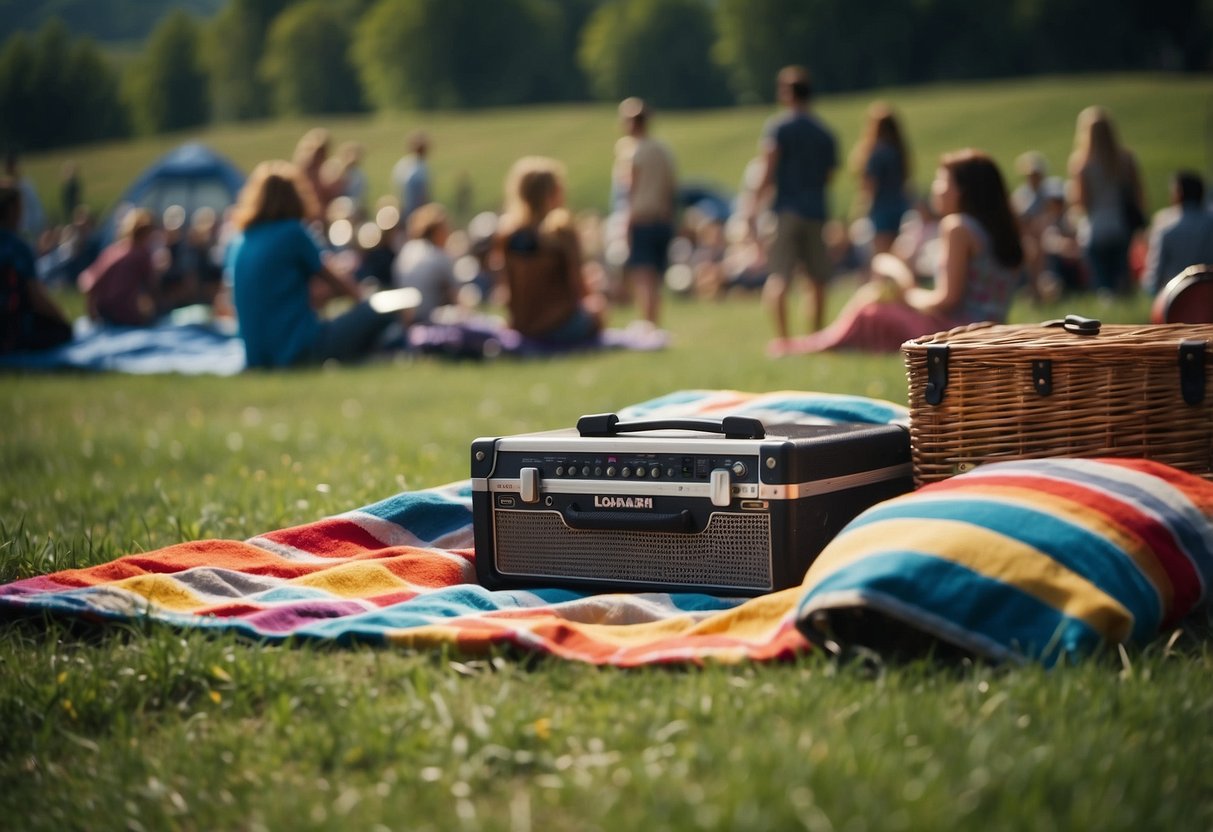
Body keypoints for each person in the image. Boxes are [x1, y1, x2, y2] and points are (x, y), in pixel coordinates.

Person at [780, 149, 1024, 354]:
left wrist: (905, 290)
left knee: (870, 309)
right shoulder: (997, 228)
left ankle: (813, 346)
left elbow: (948, 301)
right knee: (874, 301)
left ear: (961, 190)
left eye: (942, 181)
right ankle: (816, 344)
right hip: (992, 332)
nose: (935, 189)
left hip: (960, 335)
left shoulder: (957, 226)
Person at [224, 160, 409, 368]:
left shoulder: (239, 240)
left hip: (256, 356)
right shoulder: (292, 232)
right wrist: (364, 299)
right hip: (298, 350)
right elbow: (342, 285)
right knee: (384, 307)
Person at [750, 66, 839, 356]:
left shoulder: (779, 127)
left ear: (787, 93)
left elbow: (768, 167)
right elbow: (829, 175)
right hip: (815, 210)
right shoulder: (824, 132)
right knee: (817, 280)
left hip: (786, 210)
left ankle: (783, 341)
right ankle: (815, 338)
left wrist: (753, 204)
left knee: (779, 277)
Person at [495, 156, 605, 345]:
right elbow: (578, 286)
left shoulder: (507, 235)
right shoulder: (561, 233)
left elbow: (508, 290)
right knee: (597, 308)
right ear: (553, 193)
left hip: (522, 326)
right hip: (561, 327)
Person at [1067, 105, 1145, 295]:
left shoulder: (1082, 164)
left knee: (1102, 284)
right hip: (1121, 225)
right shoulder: (1125, 160)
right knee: (1123, 281)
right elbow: (1138, 194)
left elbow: (1082, 203)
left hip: (1095, 228)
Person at [614, 97, 677, 325]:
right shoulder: (663, 150)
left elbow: (629, 190)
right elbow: (672, 188)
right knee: (655, 280)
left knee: (643, 278)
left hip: (641, 220)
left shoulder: (633, 152)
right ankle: (655, 324)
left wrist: (626, 225)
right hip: (663, 220)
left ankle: (649, 326)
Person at [0, 179, 72, 354]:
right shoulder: (16, 247)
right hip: (10, 330)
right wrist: (62, 318)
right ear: (11, 210)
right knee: (62, 331)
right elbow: (36, 298)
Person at [78, 208, 163, 326]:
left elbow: (88, 283)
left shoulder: (114, 250)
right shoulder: (141, 254)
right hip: (124, 313)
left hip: (104, 311)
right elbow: (152, 287)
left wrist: (92, 311)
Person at [850, 102, 911, 266]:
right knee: (898, 256)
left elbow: (870, 186)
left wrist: (859, 210)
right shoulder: (898, 152)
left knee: (882, 258)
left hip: (881, 209)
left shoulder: (875, 153)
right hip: (901, 206)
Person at [1142, 170, 1213, 297]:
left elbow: (1152, 278)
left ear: (1178, 193)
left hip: (1176, 299)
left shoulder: (1166, 228)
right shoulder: (1209, 223)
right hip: (1208, 295)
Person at [391, 202, 458, 324]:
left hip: (405, 321)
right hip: (429, 321)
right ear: (438, 231)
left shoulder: (407, 250)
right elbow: (457, 297)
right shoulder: (439, 256)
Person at [392, 129, 432, 232]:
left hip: (402, 209)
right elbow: (422, 194)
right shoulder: (419, 168)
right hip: (414, 211)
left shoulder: (402, 164)